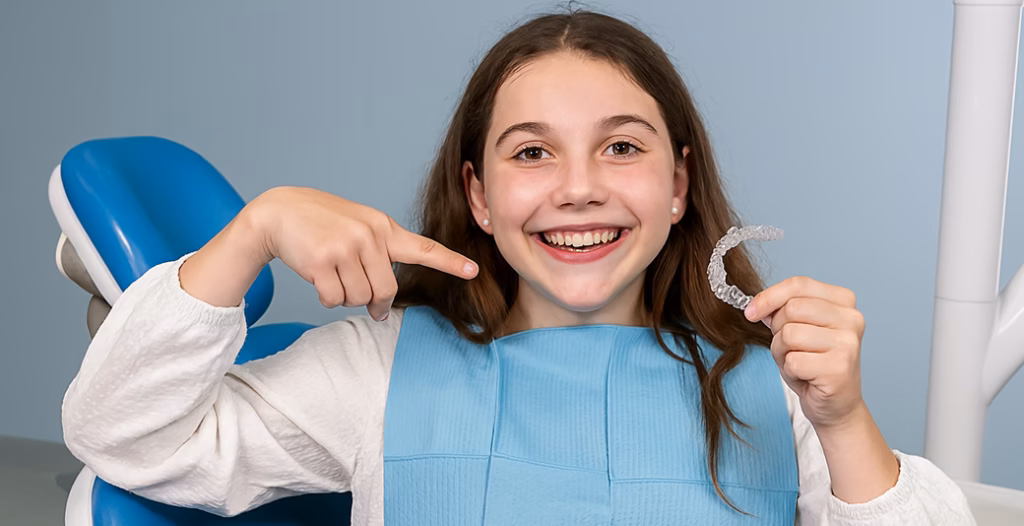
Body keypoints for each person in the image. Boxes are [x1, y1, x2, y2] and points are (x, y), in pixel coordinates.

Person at [61, 10, 975, 525]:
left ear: (678, 186)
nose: (578, 189)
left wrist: (847, 422)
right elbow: (126, 439)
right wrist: (251, 233)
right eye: (532, 154)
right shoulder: (379, 370)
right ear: (481, 195)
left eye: (621, 147)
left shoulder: (770, 390)